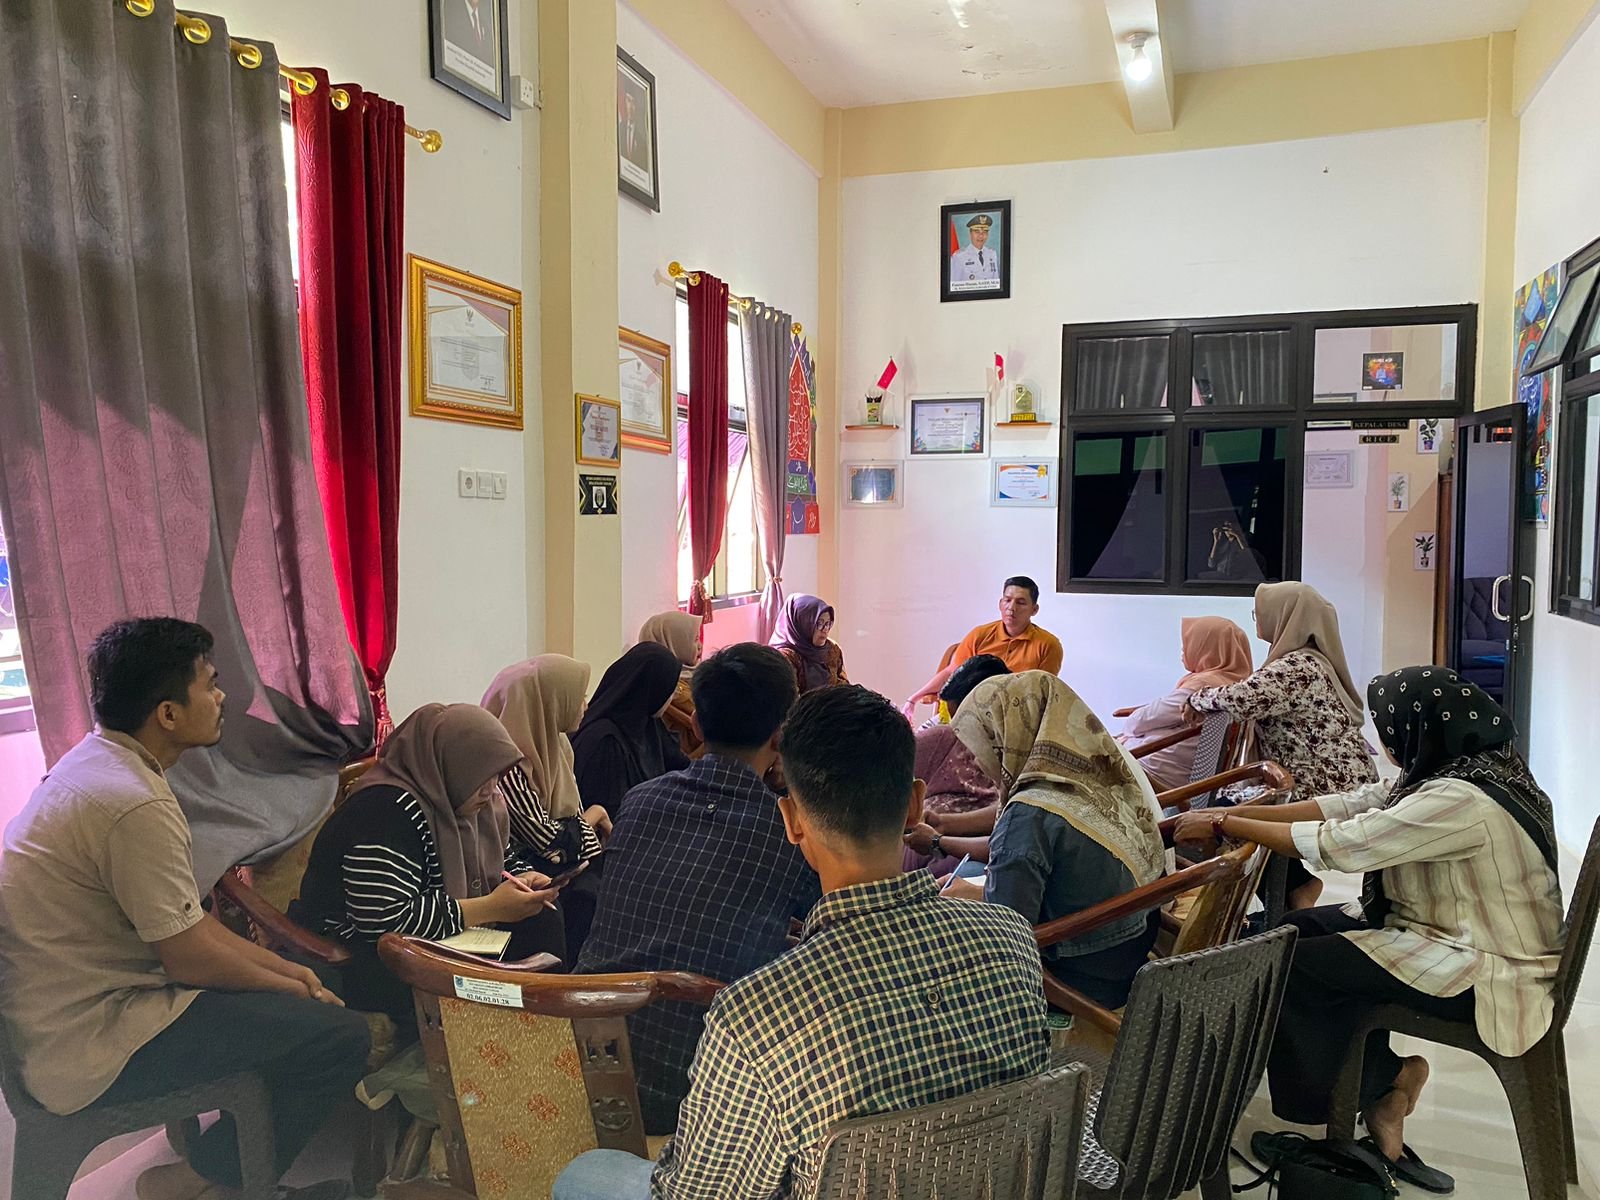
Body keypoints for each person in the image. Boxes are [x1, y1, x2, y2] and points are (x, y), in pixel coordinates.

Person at [553, 685, 1049, 1200]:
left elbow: (695, 1195)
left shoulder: (755, 1015)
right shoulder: (1012, 940)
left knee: (588, 1171)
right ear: (914, 805)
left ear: (791, 820)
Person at [0, 619, 369, 1200]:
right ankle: (208, 1180)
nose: (222, 698)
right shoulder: (132, 803)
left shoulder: (97, 762)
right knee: (339, 1037)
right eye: (211, 685)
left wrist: (290, 974)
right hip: (94, 1036)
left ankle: (215, 1174)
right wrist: (289, 985)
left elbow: (186, 924)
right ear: (168, 714)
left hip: (76, 1009)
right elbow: (187, 957)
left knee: (311, 984)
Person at [1173, 668, 1563, 1179]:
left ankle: (1383, 1084)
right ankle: (1375, 1084)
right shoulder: (1471, 769)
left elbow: (1345, 844)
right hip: (1456, 931)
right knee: (1297, 930)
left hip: (1486, 967)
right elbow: (1349, 806)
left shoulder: (1461, 799)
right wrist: (1253, 813)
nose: (1383, 743)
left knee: (1290, 967)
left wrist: (1225, 822)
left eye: (1387, 729)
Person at [574, 643, 819, 1135]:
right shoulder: (790, 830)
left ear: (698, 726)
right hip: (694, 1092)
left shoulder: (639, 802)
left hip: (583, 1060)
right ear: (781, 735)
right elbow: (826, 923)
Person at [293, 703, 566, 1027]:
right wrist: (491, 908)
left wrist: (521, 878)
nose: (490, 788)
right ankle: (493, 1041)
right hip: (362, 951)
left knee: (541, 920)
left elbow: (499, 860)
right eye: (480, 775)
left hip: (440, 933)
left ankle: (541, 1034)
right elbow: (384, 920)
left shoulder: (472, 803)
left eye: (495, 776)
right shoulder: (383, 811)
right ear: (448, 765)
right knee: (489, 969)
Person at [945, 672, 1168, 1009]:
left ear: (1011, 734)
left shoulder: (1029, 814)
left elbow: (1005, 937)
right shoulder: (1094, 777)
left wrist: (957, 904)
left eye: (985, 740)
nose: (977, 759)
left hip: (1079, 976)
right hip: (1132, 950)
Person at [1185, 581, 1377, 908]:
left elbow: (1240, 699)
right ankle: (1296, 887)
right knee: (1237, 805)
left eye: (1260, 612)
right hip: (1326, 777)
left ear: (1285, 615)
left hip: (1320, 784)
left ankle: (1287, 893)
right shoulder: (1308, 660)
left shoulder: (1296, 667)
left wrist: (1196, 698)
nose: (1257, 619)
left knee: (1227, 812)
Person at [481, 654, 611, 954]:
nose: (585, 706)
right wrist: (594, 815)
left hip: (560, 872)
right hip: (521, 879)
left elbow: (571, 834)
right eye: (577, 697)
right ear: (548, 702)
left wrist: (580, 830)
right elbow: (547, 841)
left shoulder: (558, 744)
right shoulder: (507, 763)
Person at [902, 654, 1011, 876]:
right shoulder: (943, 739)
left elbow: (1012, 820)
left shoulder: (1024, 755)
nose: (958, 732)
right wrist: (940, 825)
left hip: (974, 863)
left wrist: (941, 834)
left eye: (963, 723)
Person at [1119, 616, 1254, 791]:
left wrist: (1129, 732)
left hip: (1155, 771)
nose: (1183, 649)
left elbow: (1140, 722)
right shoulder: (1236, 689)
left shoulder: (1203, 688)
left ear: (1207, 648)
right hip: (1181, 775)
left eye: (1192, 642)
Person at [570, 643, 687, 825]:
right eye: (670, 690)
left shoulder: (648, 724)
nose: (671, 698)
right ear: (653, 689)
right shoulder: (605, 741)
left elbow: (681, 767)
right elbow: (610, 815)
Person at [906, 576, 1063, 710]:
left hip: (1017, 713)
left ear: (1034, 610)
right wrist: (913, 699)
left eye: (1021, 602)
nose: (1011, 608)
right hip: (974, 709)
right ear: (1000, 604)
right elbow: (952, 672)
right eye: (1007, 600)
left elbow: (1042, 692)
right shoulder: (980, 635)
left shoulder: (1048, 645)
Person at [639, 610, 704, 757]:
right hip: (685, 760)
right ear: (675, 643)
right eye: (694, 640)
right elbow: (711, 717)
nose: (700, 646)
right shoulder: (669, 686)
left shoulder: (692, 675)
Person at [768, 594, 848, 694]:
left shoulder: (832, 649)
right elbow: (788, 697)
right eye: (819, 623)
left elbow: (843, 686)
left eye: (828, 623)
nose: (825, 629)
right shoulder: (785, 657)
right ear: (803, 623)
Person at [949, 212, 1001, 287]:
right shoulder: (959, 257)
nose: (981, 236)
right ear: (970, 234)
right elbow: (953, 286)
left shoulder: (992, 254)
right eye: (977, 232)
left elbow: (996, 283)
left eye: (984, 232)